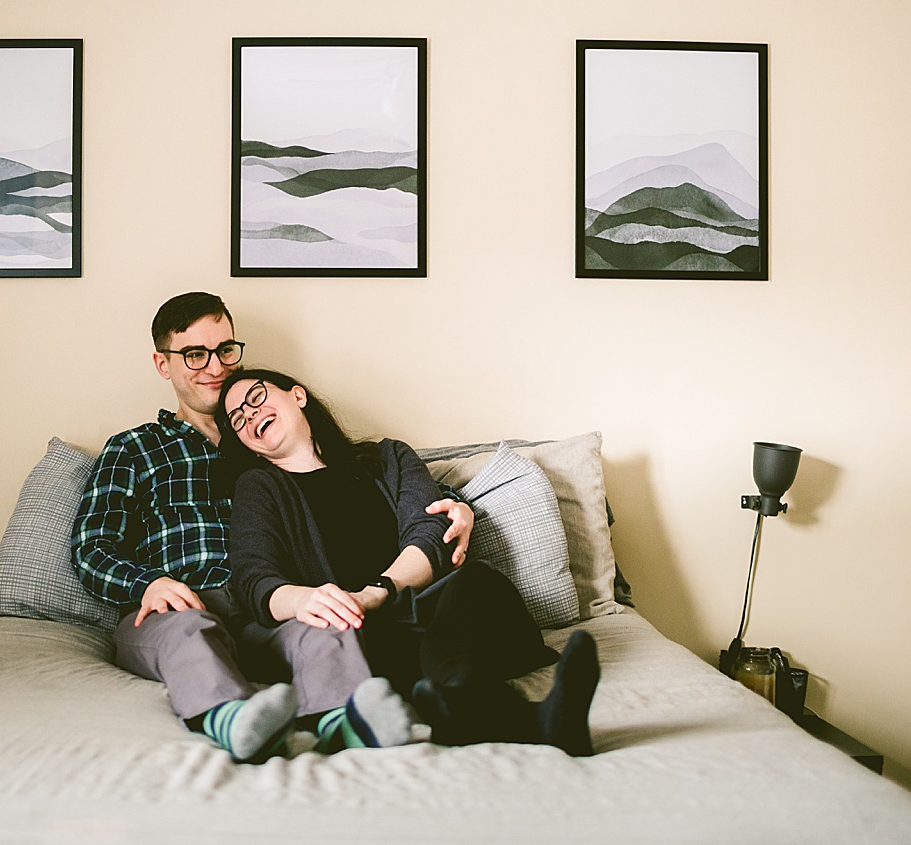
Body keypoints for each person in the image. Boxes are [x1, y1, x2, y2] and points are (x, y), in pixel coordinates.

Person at [69, 292, 476, 763]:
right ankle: (233, 718)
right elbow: (91, 547)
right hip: (181, 603)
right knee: (188, 629)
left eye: (225, 349)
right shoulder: (136, 448)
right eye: (194, 354)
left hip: (267, 608)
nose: (215, 366)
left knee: (325, 622)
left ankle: (345, 720)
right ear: (163, 364)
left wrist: (456, 505)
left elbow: (351, 487)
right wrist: (151, 583)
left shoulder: (269, 440)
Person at [216, 368, 602, 755]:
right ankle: (505, 715)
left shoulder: (388, 457)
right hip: (358, 632)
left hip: (440, 614)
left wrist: (377, 591)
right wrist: (306, 601)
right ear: (248, 444)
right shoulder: (258, 488)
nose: (249, 415)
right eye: (237, 419)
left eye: (256, 397)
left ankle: (457, 705)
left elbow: (431, 533)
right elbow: (254, 579)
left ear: (297, 396)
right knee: (421, 656)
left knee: (477, 582)